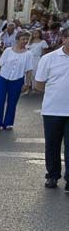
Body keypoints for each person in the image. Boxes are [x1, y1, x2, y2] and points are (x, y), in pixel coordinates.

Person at [35, 31, 69, 190]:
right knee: (52, 145)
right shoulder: (48, 59)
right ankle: (53, 175)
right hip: (53, 110)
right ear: (64, 39)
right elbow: (39, 84)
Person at [0, 30, 33, 130]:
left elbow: (29, 70)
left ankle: (8, 122)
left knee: (12, 102)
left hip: (17, 79)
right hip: (3, 78)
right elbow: (0, 65)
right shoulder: (8, 51)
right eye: (23, 39)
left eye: (27, 39)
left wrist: (27, 83)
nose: (25, 41)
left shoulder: (28, 54)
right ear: (17, 39)